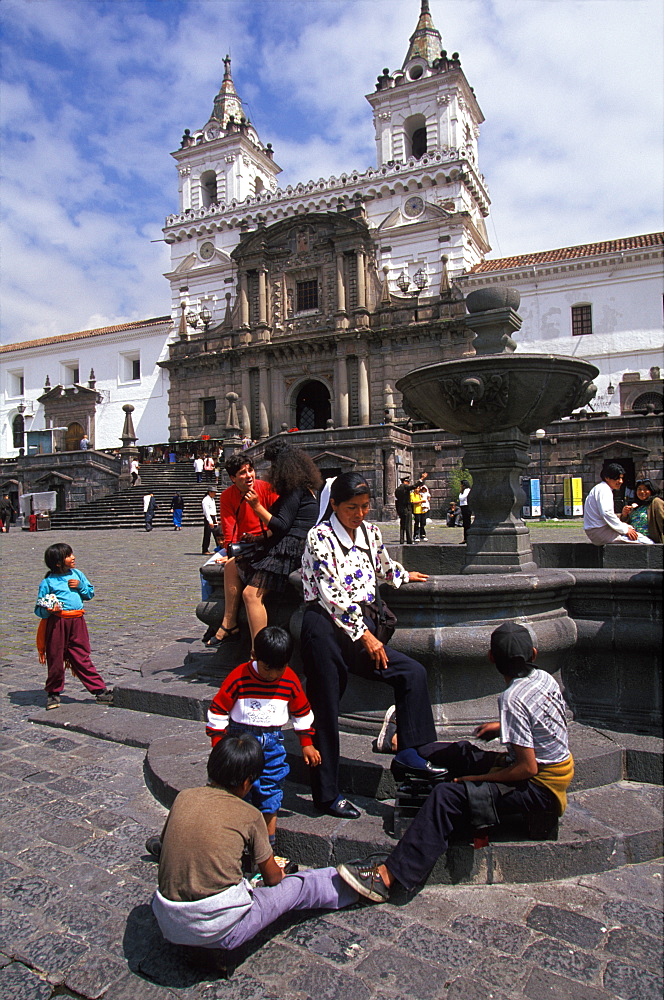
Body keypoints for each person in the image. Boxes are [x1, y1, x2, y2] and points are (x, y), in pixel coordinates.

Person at [337, 622, 574, 903]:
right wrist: (503, 727)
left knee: (446, 796)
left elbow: (527, 769)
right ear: (534, 654)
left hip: (540, 788)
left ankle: (389, 877)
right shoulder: (544, 678)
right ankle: (406, 751)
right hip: (541, 768)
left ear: (490, 658)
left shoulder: (512, 698)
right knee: (462, 752)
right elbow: (545, 722)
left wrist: (473, 781)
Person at [300, 471, 436, 818]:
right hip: (327, 629)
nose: (359, 514)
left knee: (412, 674)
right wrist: (367, 636)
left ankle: (412, 757)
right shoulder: (319, 538)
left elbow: (381, 567)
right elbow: (332, 596)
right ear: (333, 504)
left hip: (361, 625)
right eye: (351, 508)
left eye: (364, 507)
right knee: (325, 709)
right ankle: (326, 795)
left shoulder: (370, 532)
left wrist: (404, 575)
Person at [150, 736, 358, 954]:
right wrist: (279, 873)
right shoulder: (250, 815)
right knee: (300, 886)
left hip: (169, 921)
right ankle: (354, 884)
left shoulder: (184, 797)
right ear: (247, 782)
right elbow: (272, 878)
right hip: (220, 931)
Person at [206, 626, 321, 846]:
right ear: (255, 656)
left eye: (281, 668)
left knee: (270, 789)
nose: (274, 675)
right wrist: (218, 743)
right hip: (240, 740)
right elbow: (218, 710)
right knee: (237, 789)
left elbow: (302, 712)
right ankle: (237, 839)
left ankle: (267, 843)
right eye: (269, 668)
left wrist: (306, 743)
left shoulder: (289, 680)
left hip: (272, 743)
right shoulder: (239, 676)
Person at [209, 445, 321, 646]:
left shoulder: (295, 490)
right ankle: (229, 622)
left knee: (251, 595)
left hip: (291, 550)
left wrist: (256, 506)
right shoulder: (295, 490)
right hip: (281, 542)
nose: (271, 471)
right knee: (231, 565)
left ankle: (258, 652)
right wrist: (258, 538)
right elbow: (232, 525)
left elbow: (281, 524)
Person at [34, 543, 114, 711]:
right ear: (58, 563)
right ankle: (53, 692)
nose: (73, 557)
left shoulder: (77, 575)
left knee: (81, 655)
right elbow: (39, 609)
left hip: (77, 622)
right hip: (57, 623)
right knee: (55, 657)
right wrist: (49, 609)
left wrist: (80, 586)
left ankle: (99, 690)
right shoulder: (48, 582)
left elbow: (89, 594)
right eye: (68, 556)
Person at [219, 456, 279, 553]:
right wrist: (230, 551)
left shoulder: (268, 489)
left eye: (250, 470)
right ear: (233, 478)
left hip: (269, 540)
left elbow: (279, 522)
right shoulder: (226, 496)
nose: (249, 475)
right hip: (243, 544)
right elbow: (229, 527)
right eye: (243, 473)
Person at [584, 462, 653, 545]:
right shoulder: (604, 490)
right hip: (600, 530)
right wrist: (625, 530)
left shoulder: (600, 488)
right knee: (646, 542)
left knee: (630, 529)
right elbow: (607, 513)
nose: (620, 481)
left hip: (596, 530)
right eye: (617, 478)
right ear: (607, 478)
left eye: (621, 478)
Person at [620, 478, 663, 544]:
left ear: (652, 490)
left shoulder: (656, 502)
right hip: (634, 540)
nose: (642, 492)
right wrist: (625, 515)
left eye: (645, 489)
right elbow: (627, 524)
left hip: (649, 541)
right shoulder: (636, 505)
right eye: (639, 489)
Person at [394, 476, 413, 545]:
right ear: (405, 482)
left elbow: (397, 500)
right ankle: (409, 540)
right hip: (406, 509)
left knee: (402, 526)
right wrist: (421, 480)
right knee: (408, 525)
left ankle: (401, 540)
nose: (409, 483)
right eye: (408, 482)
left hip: (400, 510)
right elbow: (413, 487)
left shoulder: (397, 489)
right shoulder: (405, 488)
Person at [202, 488, 219, 555]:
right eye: (214, 492)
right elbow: (206, 512)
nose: (215, 494)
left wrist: (216, 520)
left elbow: (213, 510)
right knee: (207, 534)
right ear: (210, 492)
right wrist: (210, 521)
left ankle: (219, 548)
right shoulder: (205, 500)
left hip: (213, 517)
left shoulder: (212, 499)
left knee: (217, 534)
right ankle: (205, 549)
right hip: (209, 518)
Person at [459, 479, 472, 544]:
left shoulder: (467, 490)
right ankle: (465, 538)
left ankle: (467, 538)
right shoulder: (463, 491)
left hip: (466, 506)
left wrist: (460, 494)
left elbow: (462, 498)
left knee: (467, 522)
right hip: (463, 506)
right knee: (465, 522)